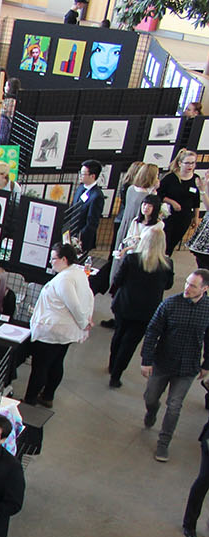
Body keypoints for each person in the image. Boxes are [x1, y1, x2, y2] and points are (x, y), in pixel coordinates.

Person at [141, 269, 209, 461]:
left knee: (174, 406)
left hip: (188, 367)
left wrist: (207, 364)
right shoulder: (170, 304)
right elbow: (152, 331)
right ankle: (151, 411)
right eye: (187, 282)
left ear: (205, 289)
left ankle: (163, 443)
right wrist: (146, 361)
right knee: (151, 397)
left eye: (193, 286)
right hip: (163, 362)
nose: (187, 288)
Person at [24, 244, 94, 408]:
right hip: (64, 332)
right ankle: (48, 396)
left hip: (53, 331)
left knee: (40, 366)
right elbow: (88, 296)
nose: (51, 262)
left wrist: (84, 323)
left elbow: (74, 305)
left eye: (53, 259)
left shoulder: (64, 279)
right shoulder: (77, 272)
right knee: (56, 363)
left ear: (64, 259)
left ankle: (30, 400)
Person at [108, 228, 175, 387]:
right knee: (130, 343)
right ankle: (116, 375)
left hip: (124, 304)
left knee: (119, 334)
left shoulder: (131, 259)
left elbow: (118, 279)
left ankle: (112, 364)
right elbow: (168, 285)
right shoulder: (167, 264)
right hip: (147, 311)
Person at [158, 149, 202, 254]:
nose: (190, 166)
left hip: (184, 217)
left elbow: (196, 200)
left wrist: (196, 217)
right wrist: (171, 202)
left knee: (173, 243)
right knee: (164, 242)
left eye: (192, 163)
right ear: (180, 163)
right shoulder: (170, 178)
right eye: (187, 163)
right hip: (168, 215)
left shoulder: (196, 178)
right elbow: (159, 194)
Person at [66, 159, 106, 253]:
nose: (80, 176)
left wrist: (78, 237)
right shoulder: (81, 188)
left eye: (83, 174)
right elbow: (72, 208)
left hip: (81, 239)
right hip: (70, 233)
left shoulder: (97, 196)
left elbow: (92, 223)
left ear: (92, 176)